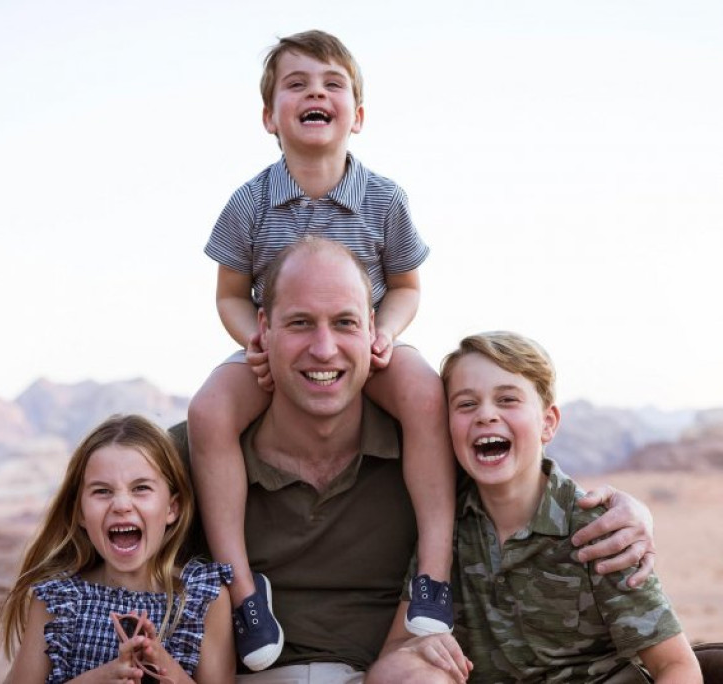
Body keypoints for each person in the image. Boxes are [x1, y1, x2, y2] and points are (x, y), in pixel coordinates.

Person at [173, 237, 658, 683]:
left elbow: (520, 485)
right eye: (300, 323)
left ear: (374, 332)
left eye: (345, 323)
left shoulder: (429, 453)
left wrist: (632, 512)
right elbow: (111, 505)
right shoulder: (196, 454)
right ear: (264, 329)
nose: (324, 348)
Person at [187, 29, 456, 671]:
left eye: (333, 84)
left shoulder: (384, 199)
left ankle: (435, 573)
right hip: (277, 348)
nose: (316, 93)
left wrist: (385, 331)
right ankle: (246, 592)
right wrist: (250, 336)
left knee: (424, 391)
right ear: (268, 116)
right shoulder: (250, 202)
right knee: (208, 412)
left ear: (357, 116)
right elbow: (228, 293)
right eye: (297, 84)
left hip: (364, 344)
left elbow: (407, 285)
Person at [372, 332, 702, 683]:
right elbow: (394, 659)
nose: (486, 415)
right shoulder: (445, 527)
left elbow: (676, 666)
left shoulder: (596, 529)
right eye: (466, 404)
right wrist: (418, 649)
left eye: (507, 400)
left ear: (548, 423)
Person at [0, 414, 235, 684]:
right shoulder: (58, 599)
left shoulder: (203, 598)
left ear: (172, 508)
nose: (122, 504)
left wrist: (160, 662)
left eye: (141, 488)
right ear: (80, 513)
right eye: (102, 491)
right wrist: (97, 680)